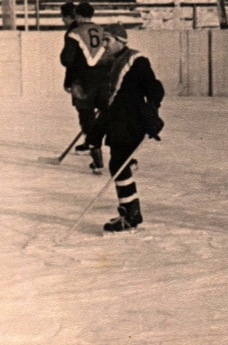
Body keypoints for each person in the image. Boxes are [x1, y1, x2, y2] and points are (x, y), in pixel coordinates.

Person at [86, 24, 165, 232]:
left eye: (108, 40)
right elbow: (111, 100)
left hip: (132, 122)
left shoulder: (136, 60)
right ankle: (130, 211)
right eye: (103, 40)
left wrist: (153, 113)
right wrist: (96, 132)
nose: (104, 44)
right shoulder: (114, 63)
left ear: (121, 41)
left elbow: (154, 88)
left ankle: (131, 214)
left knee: (118, 164)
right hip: (118, 122)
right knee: (118, 165)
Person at [60, 2, 110, 174]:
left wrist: (68, 82)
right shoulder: (102, 30)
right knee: (108, 116)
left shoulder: (74, 33)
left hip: (82, 83)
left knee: (87, 118)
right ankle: (126, 156)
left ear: (78, 15)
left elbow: (67, 60)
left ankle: (97, 160)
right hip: (104, 81)